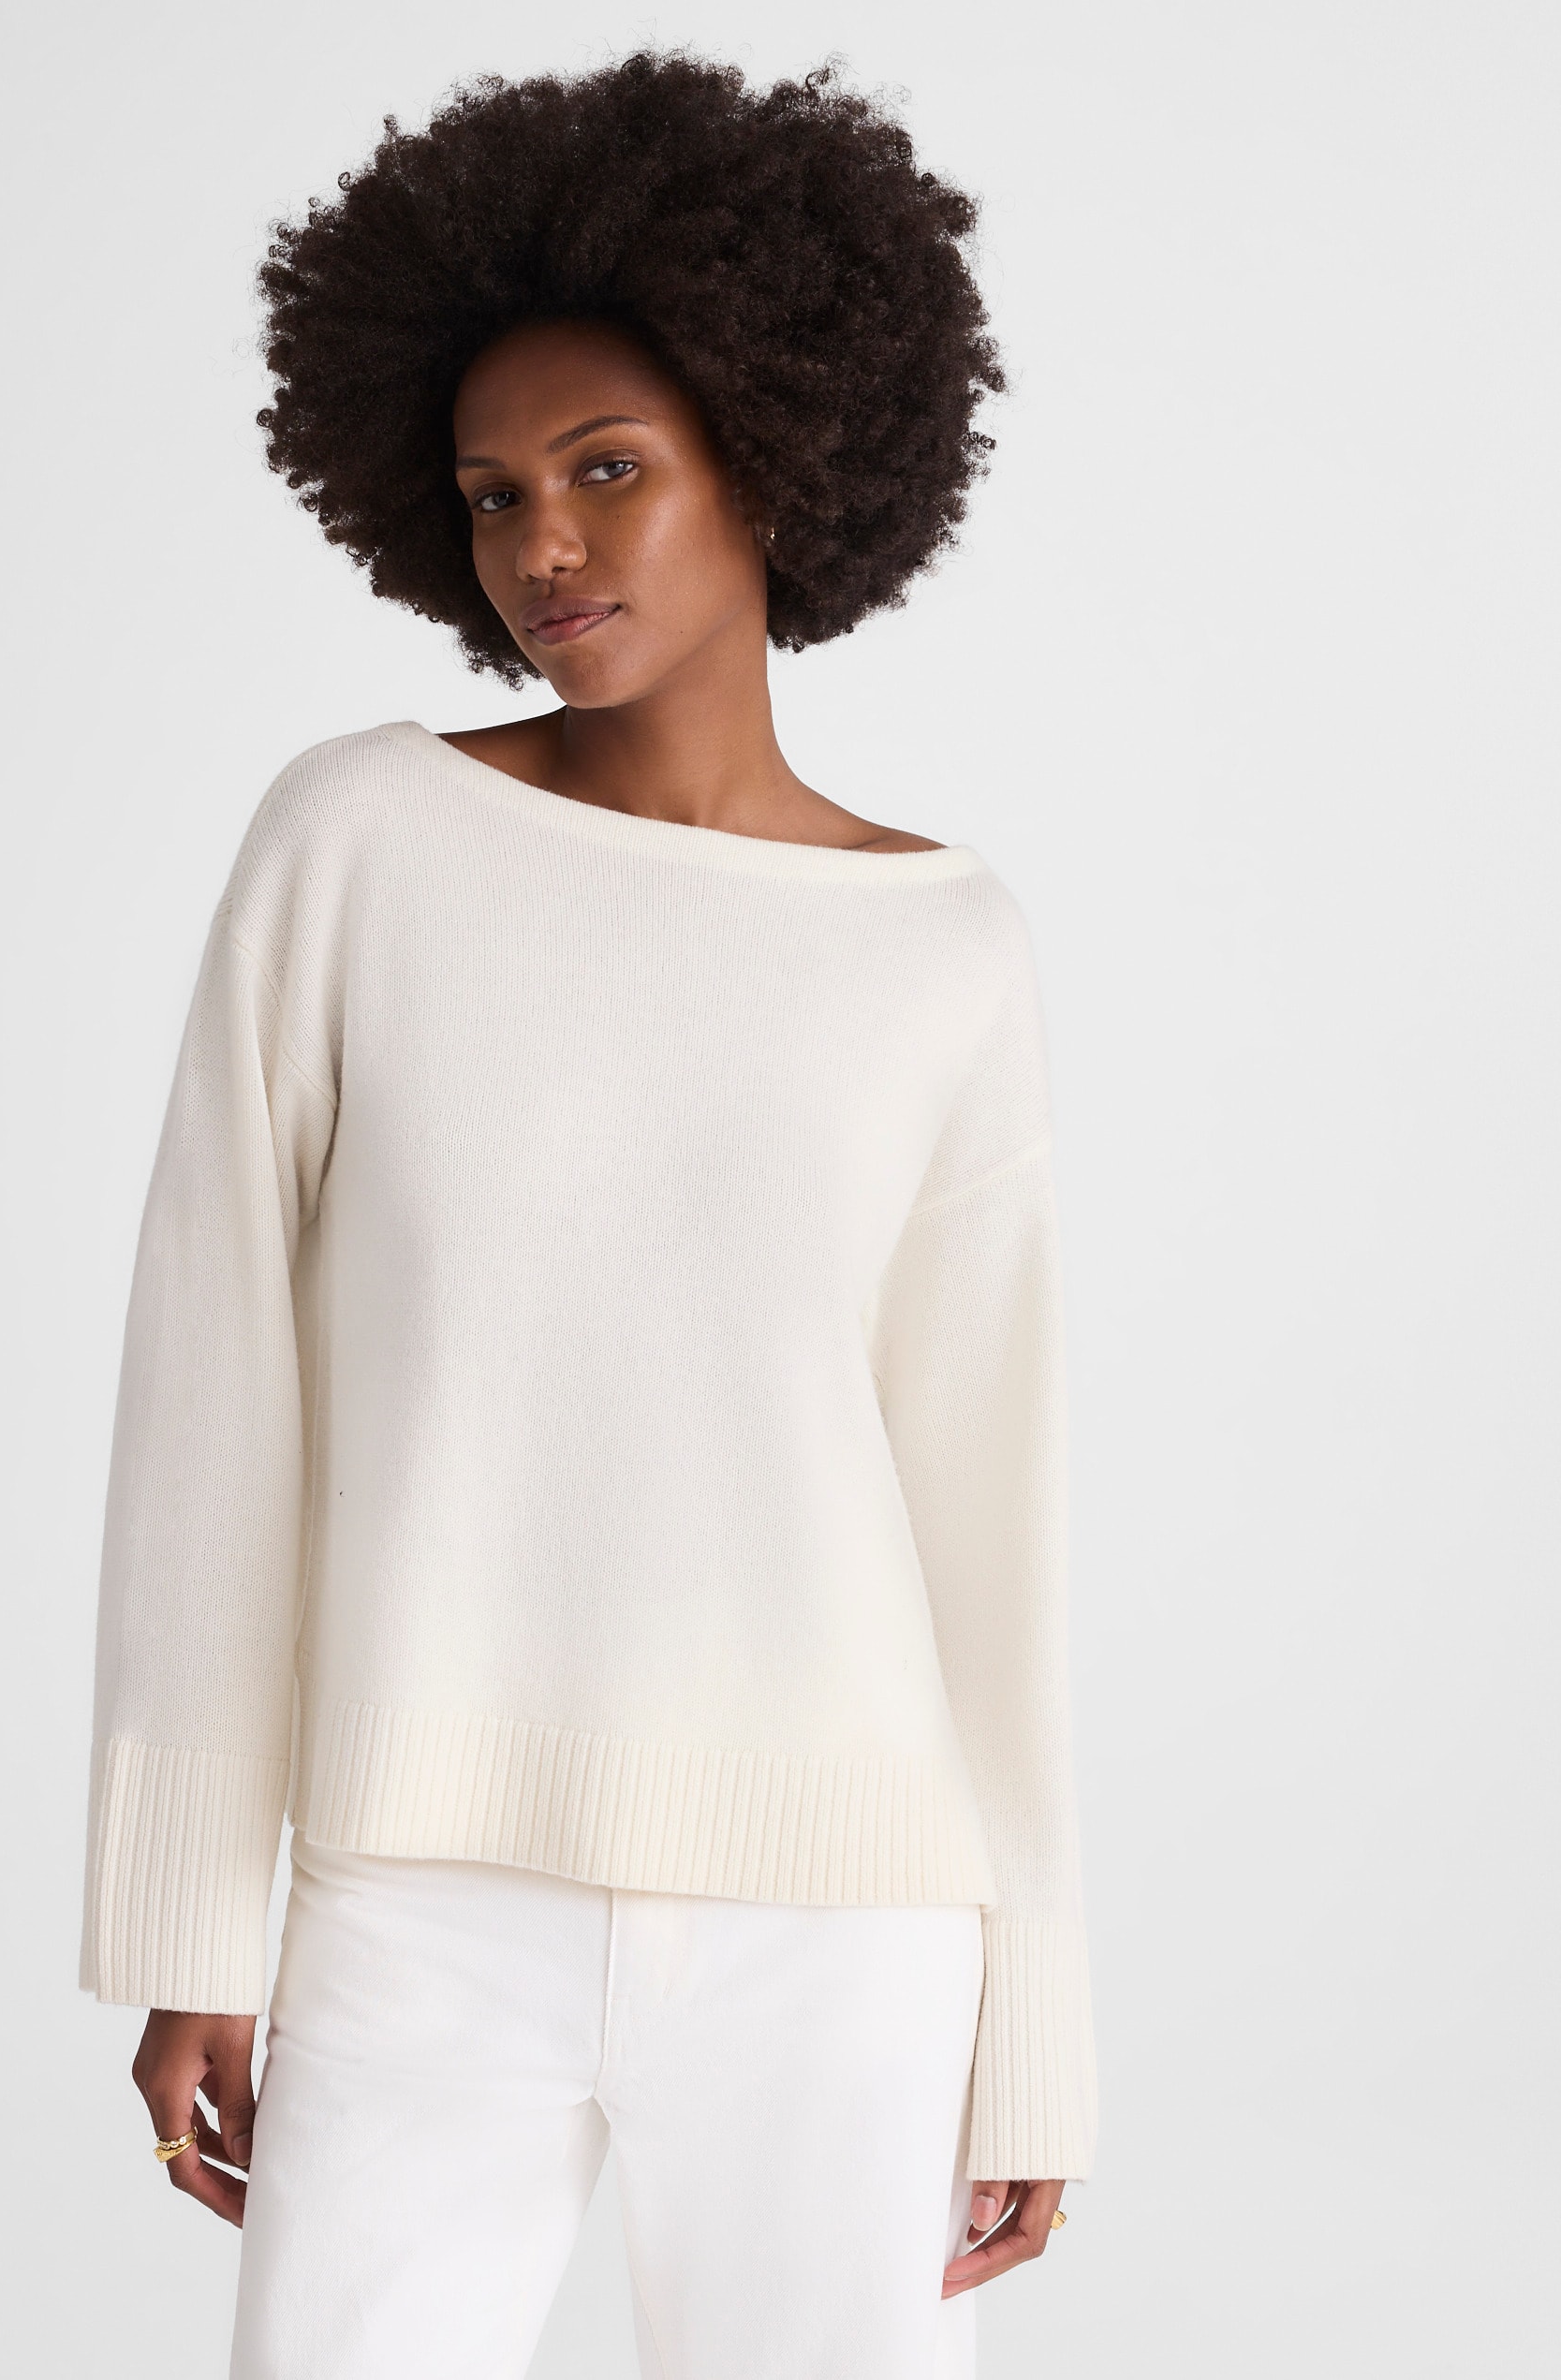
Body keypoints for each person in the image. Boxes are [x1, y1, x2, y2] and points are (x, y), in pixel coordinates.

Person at [81, 51, 1097, 2380]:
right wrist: (187, 1911)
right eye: (493, 494)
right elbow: (215, 1381)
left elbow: (989, 1519)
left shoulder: (947, 945)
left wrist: (1033, 2020)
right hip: (414, 1893)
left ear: (776, 448)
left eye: (607, 467)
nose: (542, 543)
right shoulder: (356, 840)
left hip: (847, 1921)